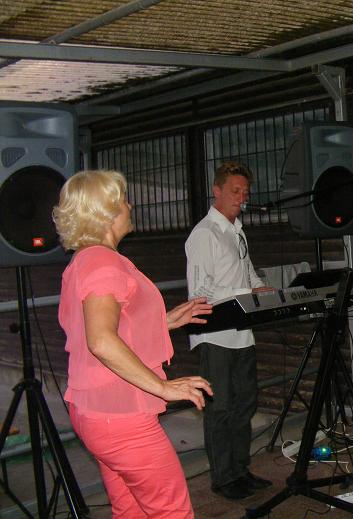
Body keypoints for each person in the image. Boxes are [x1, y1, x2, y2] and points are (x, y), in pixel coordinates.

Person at [53, 169, 213, 519]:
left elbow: (107, 326)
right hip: (120, 419)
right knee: (172, 512)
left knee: (130, 510)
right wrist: (163, 387)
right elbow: (100, 340)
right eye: (123, 200)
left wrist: (164, 321)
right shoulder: (103, 262)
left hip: (98, 412)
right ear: (107, 212)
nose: (130, 206)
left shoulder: (87, 259)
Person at [186, 161, 273, 500]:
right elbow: (200, 293)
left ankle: (240, 469)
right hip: (216, 335)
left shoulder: (237, 230)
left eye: (245, 192)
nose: (242, 197)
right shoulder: (204, 234)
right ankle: (222, 478)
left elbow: (246, 272)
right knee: (220, 408)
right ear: (217, 191)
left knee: (244, 404)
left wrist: (260, 288)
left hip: (242, 331)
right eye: (235, 191)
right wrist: (245, 292)